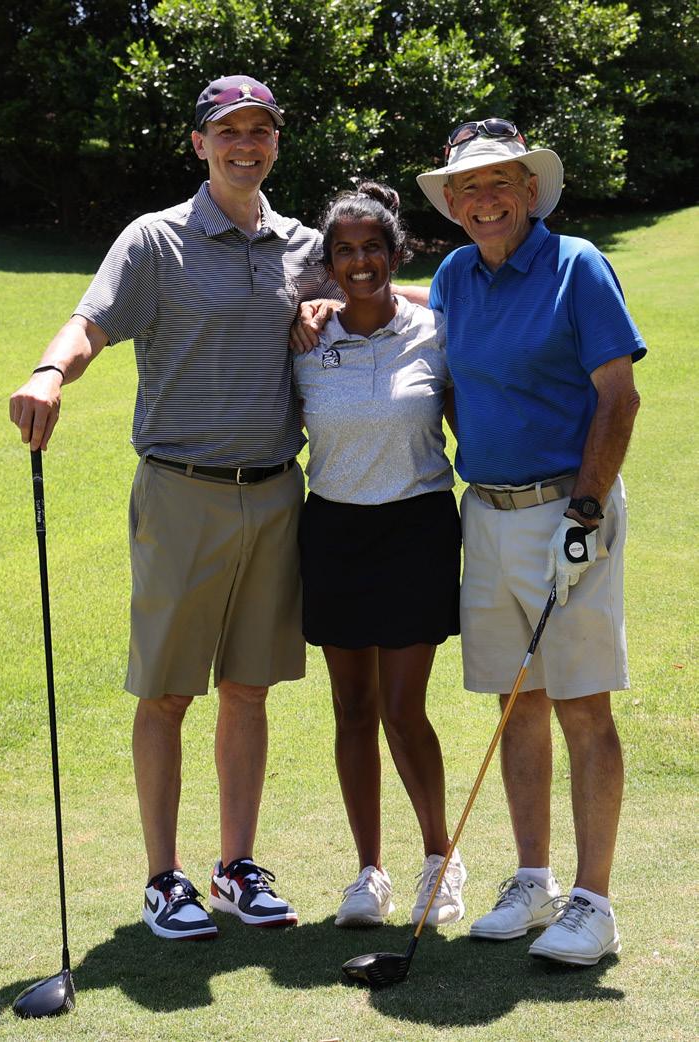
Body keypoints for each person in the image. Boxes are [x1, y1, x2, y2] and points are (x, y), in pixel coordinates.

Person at [8, 74, 351, 940]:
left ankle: (235, 869)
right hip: (180, 490)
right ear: (199, 144)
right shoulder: (154, 240)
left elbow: (370, 297)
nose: (245, 145)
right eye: (227, 131)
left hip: (275, 491)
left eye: (259, 130)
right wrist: (49, 372)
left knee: (248, 688)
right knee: (166, 692)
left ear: (276, 142)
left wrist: (329, 301)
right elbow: (91, 322)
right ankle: (164, 879)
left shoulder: (302, 245)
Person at [415, 118, 645, 965]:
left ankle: (594, 901)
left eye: (498, 183)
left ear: (529, 190)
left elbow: (617, 397)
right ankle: (533, 878)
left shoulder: (577, 265)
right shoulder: (453, 276)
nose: (483, 200)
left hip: (566, 512)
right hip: (485, 512)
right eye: (467, 187)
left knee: (582, 704)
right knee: (517, 703)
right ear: (451, 202)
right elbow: (447, 373)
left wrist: (583, 513)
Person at [292, 183, 466, 929]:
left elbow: (459, 305)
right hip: (334, 531)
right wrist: (307, 311)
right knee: (352, 709)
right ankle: (369, 873)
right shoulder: (304, 339)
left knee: (401, 708)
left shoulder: (435, 330)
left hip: (415, 530)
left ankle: (439, 860)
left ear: (395, 255)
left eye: (372, 248)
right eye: (344, 250)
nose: (358, 262)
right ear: (328, 263)